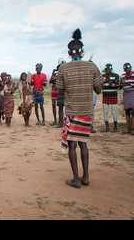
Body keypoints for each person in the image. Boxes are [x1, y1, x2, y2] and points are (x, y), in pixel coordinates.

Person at [56, 28, 104, 189]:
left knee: (72, 144)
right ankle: (86, 176)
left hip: (72, 112)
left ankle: (75, 178)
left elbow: (60, 92)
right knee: (84, 143)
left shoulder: (63, 69)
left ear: (69, 52)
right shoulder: (91, 66)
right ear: (82, 51)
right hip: (87, 111)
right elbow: (98, 90)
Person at [101, 64, 120, 132]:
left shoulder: (115, 75)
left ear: (111, 69)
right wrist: (105, 82)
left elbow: (117, 86)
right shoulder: (102, 76)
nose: (108, 71)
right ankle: (107, 127)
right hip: (105, 95)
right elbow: (101, 85)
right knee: (105, 111)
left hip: (113, 95)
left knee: (114, 111)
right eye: (107, 70)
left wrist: (113, 85)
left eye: (109, 69)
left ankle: (115, 127)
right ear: (105, 70)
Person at [120, 62, 134, 135]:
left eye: (128, 68)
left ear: (130, 68)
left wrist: (131, 84)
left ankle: (133, 128)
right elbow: (120, 87)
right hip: (126, 94)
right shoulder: (123, 76)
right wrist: (122, 83)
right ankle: (129, 128)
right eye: (125, 69)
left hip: (132, 94)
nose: (127, 70)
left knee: (133, 111)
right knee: (127, 112)